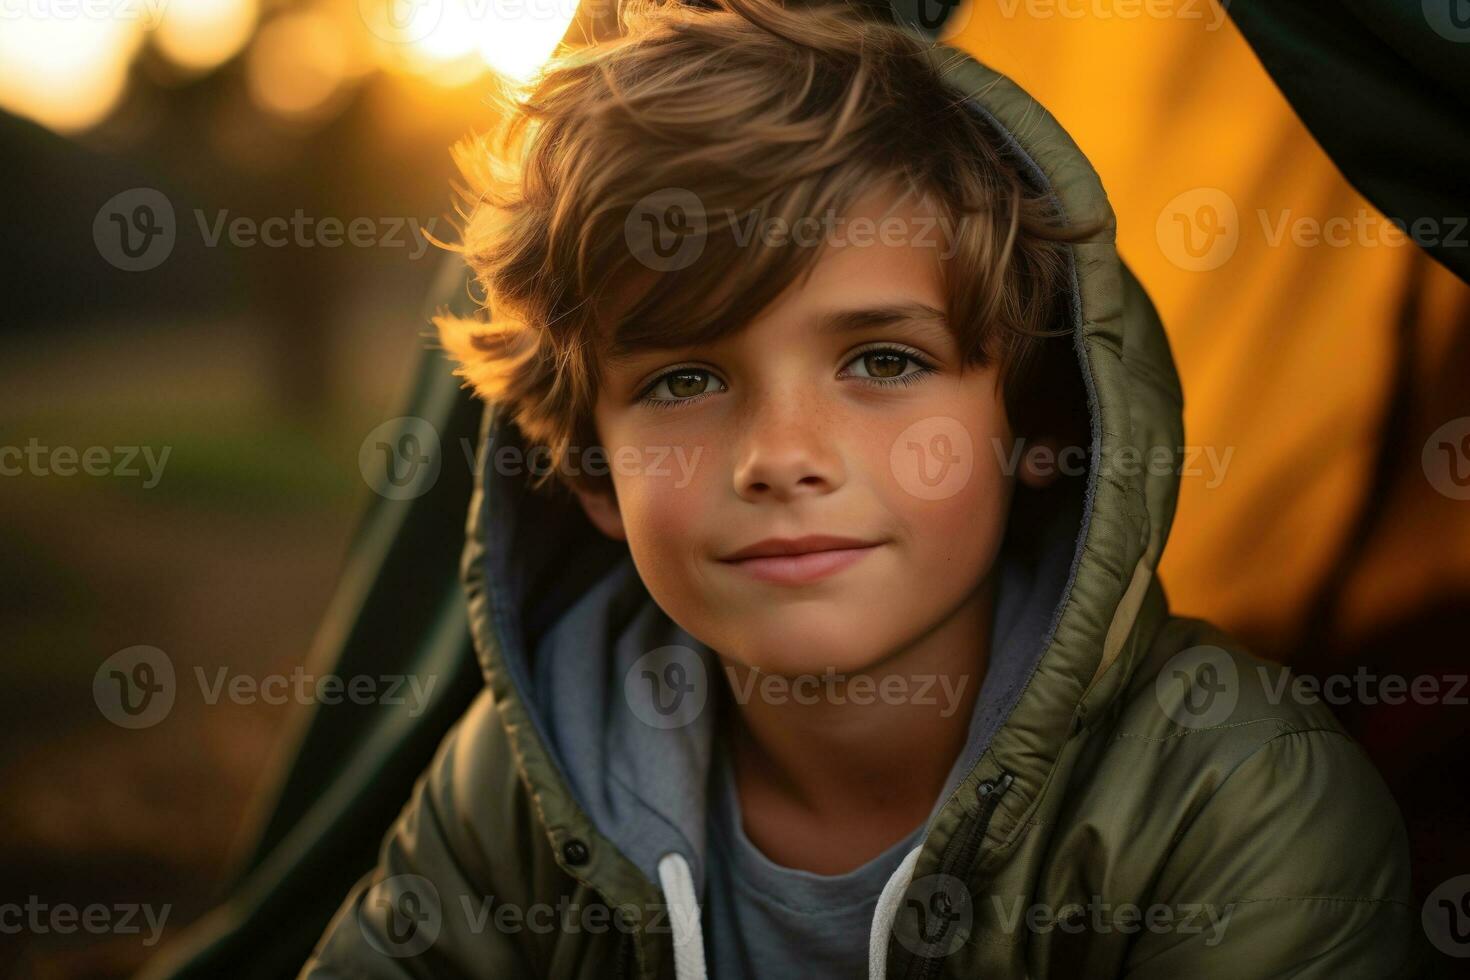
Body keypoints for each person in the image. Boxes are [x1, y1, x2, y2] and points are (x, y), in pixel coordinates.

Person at [300, 0, 1416, 975]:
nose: (781, 454)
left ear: (1036, 418)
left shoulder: (1235, 794)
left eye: (885, 360)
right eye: (685, 378)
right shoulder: (518, 779)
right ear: (591, 471)